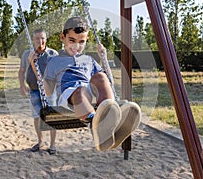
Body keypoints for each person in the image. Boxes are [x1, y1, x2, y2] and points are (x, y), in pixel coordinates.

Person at [43, 17, 141, 152]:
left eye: (81, 42)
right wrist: (40, 75)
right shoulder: (54, 61)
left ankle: (111, 115)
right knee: (81, 90)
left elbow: (107, 81)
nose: (76, 46)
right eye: (72, 40)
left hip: (90, 93)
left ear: (87, 40)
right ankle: (94, 123)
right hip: (70, 96)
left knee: (100, 76)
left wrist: (103, 58)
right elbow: (48, 92)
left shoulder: (89, 60)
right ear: (62, 37)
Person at [18, 28, 59, 155]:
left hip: (49, 91)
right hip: (33, 90)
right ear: (33, 40)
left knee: (52, 117)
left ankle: (52, 144)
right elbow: (21, 71)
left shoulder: (53, 54)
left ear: (46, 39)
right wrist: (21, 85)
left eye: (42, 38)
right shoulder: (27, 54)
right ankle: (40, 142)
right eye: (37, 38)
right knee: (36, 117)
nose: (40, 41)